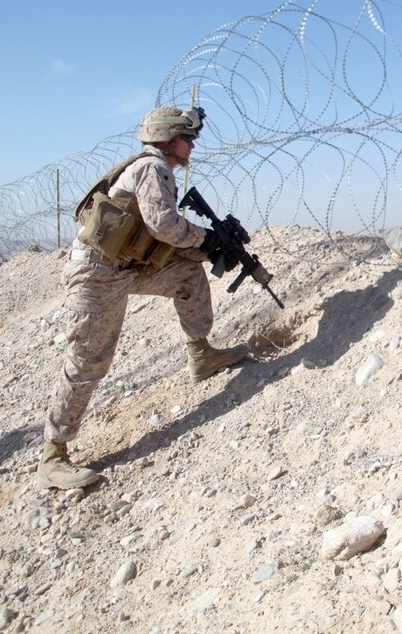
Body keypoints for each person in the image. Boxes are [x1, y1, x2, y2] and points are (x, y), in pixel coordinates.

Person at [39, 106, 249, 489]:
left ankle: (201, 354)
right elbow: (164, 225)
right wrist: (207, 238)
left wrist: (210, 250)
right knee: (89, 359)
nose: (192, 146)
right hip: (97, 273)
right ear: (170, 140)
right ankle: (53, 455)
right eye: (189, 139)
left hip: (124, 266)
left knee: (188, 274)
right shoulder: (153, 167)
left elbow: (157, 237)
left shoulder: (154, 168)